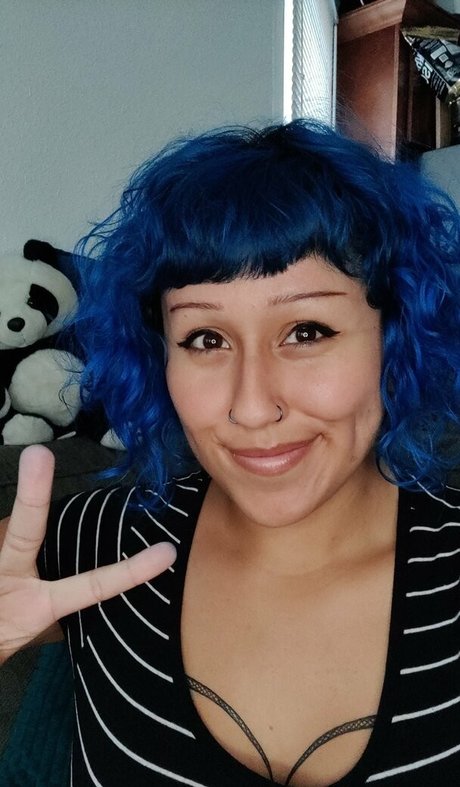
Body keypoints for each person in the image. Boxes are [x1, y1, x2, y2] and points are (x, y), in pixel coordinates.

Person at [0, 119, 459, 787]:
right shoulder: (98, 544)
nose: (251, 406)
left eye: (307, 331)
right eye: (206, 339)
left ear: (397, 337)